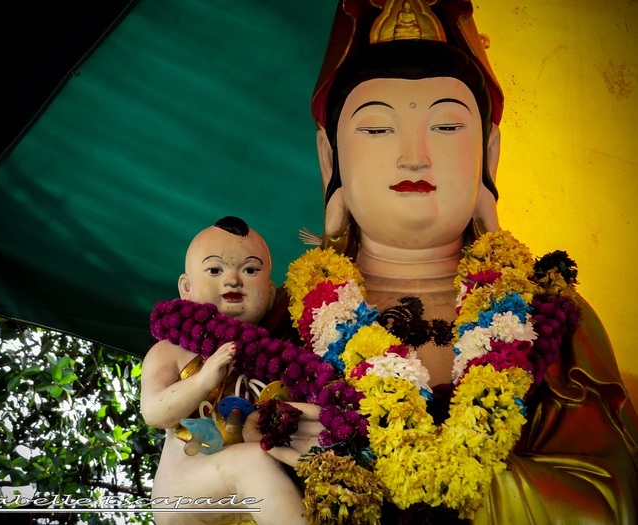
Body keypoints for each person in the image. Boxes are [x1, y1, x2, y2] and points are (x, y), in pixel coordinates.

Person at [251, 0, 637, 523]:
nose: (415, 156)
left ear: (489, 152)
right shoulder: (278, 324)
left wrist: (429, 484)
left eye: (448, 127)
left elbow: (612, 501)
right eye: (377, 129)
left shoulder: (555, 317)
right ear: (329, 157)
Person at [140, 216, 308, 525]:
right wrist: (203, 380)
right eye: (215, 270)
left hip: (259, 489)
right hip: (185, 490)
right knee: (251, 462)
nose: (233, 280)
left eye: (250, 270)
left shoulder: (279, 358)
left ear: (270, 293)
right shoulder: (171, 349)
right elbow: (154, 412)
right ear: (186, 288)